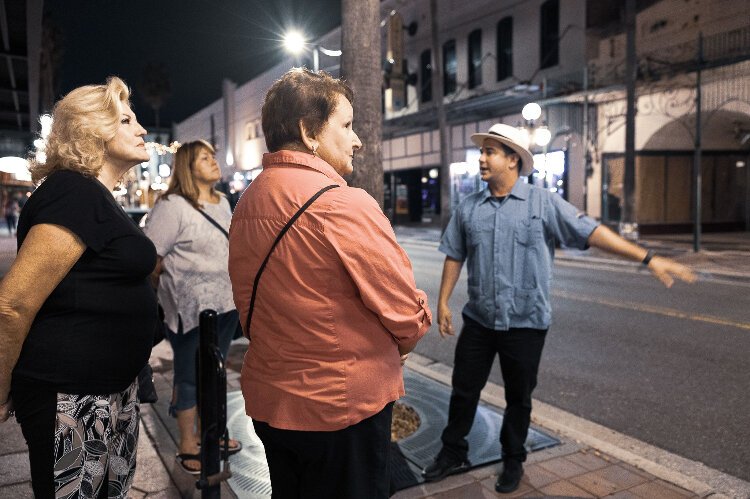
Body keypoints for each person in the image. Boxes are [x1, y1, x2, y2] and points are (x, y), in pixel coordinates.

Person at [421, 123, 697, 493]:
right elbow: (455, 254)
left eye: (490, 152)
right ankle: (453, 452)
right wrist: (442, 301)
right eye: (483, 151)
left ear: (513, 160)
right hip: (480, 320)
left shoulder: (543, 204)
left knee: (519, 397)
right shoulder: (469, 208)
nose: (482, 158)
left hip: (526, 323)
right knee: (463, 390)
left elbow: (591, 232)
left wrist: (647, 258)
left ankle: (512, 460)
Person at [228, 68, 432, 499]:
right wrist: (409, 334)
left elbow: (248, 306)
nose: (356, 139)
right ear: (309, 131)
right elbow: (404, 314)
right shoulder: (341, 204)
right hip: (339, 409)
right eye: (346, 125)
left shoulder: (248, 202)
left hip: (272, 401)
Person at [0, 76, 157, 498]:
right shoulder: (72, 192)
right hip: (72, 395)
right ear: (93, 133)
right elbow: (13, 305)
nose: (141, 130)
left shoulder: (96, 195)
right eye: (126, 120)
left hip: (109, 390)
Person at [143, 139, 242, 475]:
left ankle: (212, 434)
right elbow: (151, 260)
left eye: (214, 155)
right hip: (189, 308)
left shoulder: (222, 202)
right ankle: (188, 443)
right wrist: (167, 297)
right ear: (188, 165)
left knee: (215, 372)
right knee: (188, 376)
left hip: (225, 304)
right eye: (205, 157)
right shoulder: (172, 205)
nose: (214, 161)